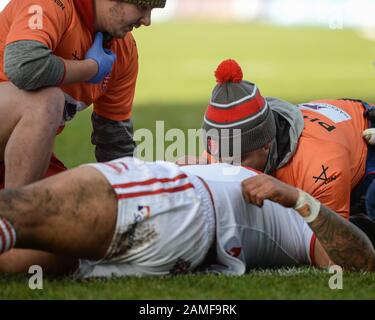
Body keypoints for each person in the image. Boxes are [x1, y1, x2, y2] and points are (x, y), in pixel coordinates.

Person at [0, 157, 374, 277]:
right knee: (15, 254)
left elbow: (360, 262)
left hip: (178, 207)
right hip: (175, 226)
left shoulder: (305, 224)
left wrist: (302, 201)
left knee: (23, 210)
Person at [0, 0, 166, 189]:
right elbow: (24, 66)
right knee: (47, 100)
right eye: (142, 7)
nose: (147, 21)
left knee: (78, 205)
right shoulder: (53, 4)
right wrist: (91, 69)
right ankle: (16, 213)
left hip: (13, 155)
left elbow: (115, 139)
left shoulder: (124, 49)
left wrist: (131, 199)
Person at [200, 59, 375, 226]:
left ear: (266, 144)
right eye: (220, 157)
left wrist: (295, 198)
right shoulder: (222, 150)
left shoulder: (320, 164)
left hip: (366, 151)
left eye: (239, 159)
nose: (227, 168)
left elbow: (335, 248)